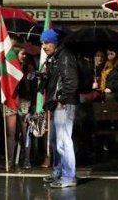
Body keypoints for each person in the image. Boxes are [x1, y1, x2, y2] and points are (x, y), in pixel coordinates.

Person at [41, 29, 79, 188]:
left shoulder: (65, 57)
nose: (44, 46)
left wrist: (62, 100)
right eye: (43, 43)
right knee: (55, 140)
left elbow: (71, 80)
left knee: (63, 141)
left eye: (47, 42)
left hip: (64, 104)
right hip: (57, 103)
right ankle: (58, 172)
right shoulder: (55, 58)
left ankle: (69, 176)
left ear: (55, 43)